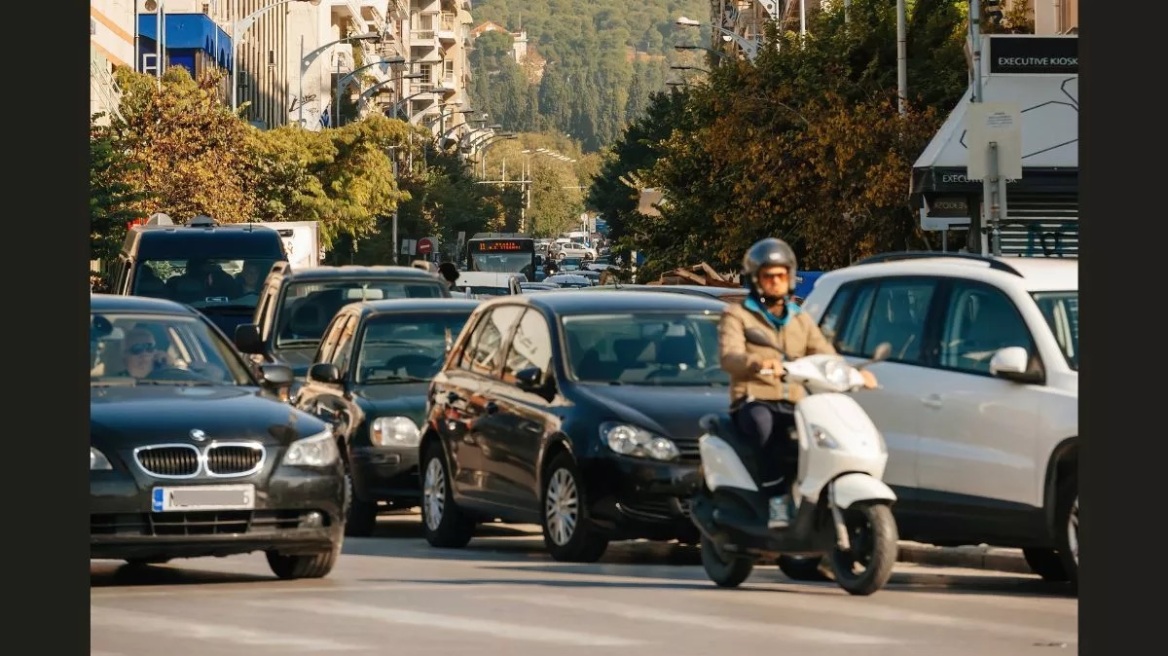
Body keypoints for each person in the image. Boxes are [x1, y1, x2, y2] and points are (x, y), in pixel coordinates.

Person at [718, 238, 877, 529]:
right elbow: (730, 356)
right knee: (766, 430)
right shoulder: (738, 315)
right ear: (756, 279)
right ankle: (776, 499)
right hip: (754, 398)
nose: (776, 283)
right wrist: (758, 364)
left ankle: (811, 498)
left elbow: (824, 353)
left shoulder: (799, 318)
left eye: (781, 276)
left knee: (818, 434)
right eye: (769, 276)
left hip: (794, 398)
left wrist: (854, 373)